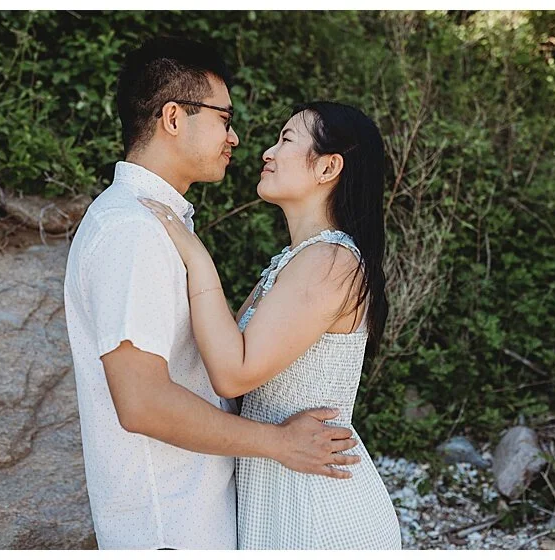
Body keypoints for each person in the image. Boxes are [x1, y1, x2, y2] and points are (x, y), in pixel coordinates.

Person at [63, 38, 360, 550]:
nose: (238, 137)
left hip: (200, 513)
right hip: (170, 525)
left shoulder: (157, 223)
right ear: (174, 118)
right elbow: (141, 402)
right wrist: (280, 443)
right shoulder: (132, 229)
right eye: (224, 118)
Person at [140, 101, 402, 549]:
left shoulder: (331, 261)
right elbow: (227, 358)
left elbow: (232, 374)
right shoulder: (299, 259)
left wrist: (197, 257)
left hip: (319, 510)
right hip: (285, 491)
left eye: (285, 140)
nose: (267, 152)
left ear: (328, 167)